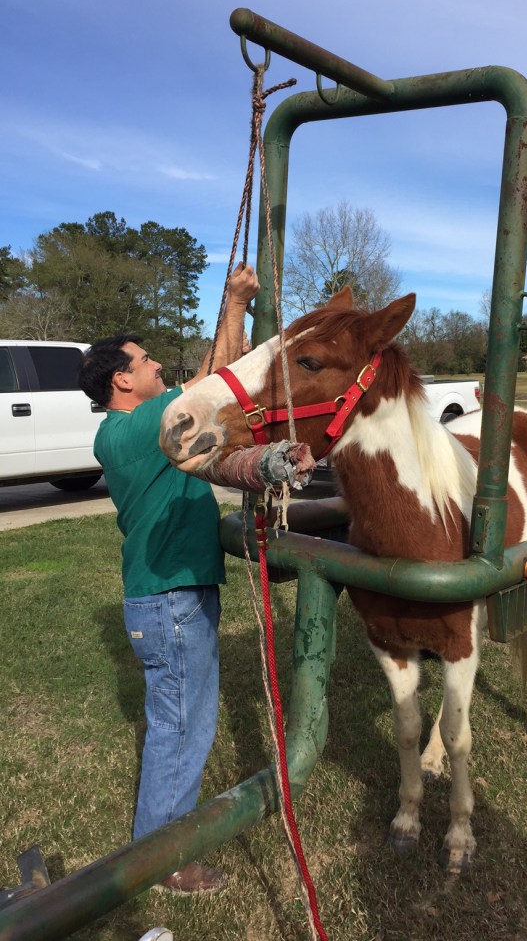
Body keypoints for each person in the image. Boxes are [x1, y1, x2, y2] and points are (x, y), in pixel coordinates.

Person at [78, 263, 258, 896]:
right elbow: (211, 382)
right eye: (147, 360)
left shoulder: (149, 426)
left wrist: (234, 317)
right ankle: (165, 861)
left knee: (179, 723)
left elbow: (221, 384)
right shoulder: (128, 431)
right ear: (122, 379)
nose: (158, 366)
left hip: (172, 595)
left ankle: (160, 847)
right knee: (181, 729)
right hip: (170, 600)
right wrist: (234, 300)